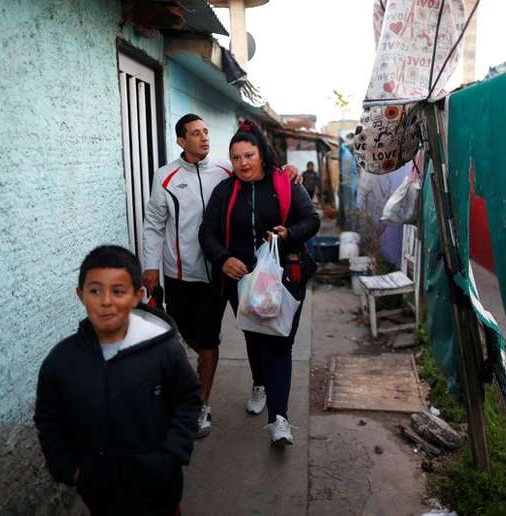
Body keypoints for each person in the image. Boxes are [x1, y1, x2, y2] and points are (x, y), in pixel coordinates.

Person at [142, 114, 302, 438]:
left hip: (225, 273)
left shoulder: (225, 169)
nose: (204, 138)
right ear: (180, 141)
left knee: (239, 333)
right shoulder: (165, 177)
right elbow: (153, 225)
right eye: (195, 134)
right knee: (187, 331)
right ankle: (206, 388)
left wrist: (287, 171)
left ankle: (206, 403)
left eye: (205, 132)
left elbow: (260, 172)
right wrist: (151, 267)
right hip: (182, 272)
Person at [34, 245, 201, 515]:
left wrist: (171, 456)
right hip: (101, 497)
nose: (106, 301)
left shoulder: (162, 350)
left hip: (161, 492)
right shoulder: (61, 362)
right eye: (95, 290)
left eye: (118, 291)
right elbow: (49, 420)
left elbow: (188, 400)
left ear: (137, 296)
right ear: (80, 295)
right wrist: (72, 470)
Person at [199, 121, 320, 447]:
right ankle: (259, 383)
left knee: (280, 343)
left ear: (262, 155)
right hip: (245, 283)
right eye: (236, 157)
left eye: (248, 155)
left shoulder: (286, 184)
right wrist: (223, 259)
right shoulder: (224, 191)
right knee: (255, 339)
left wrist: (288, 234)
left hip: (285, 279)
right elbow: (206, 233)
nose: (242, 163)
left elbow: (312, 220)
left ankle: (279, 419)